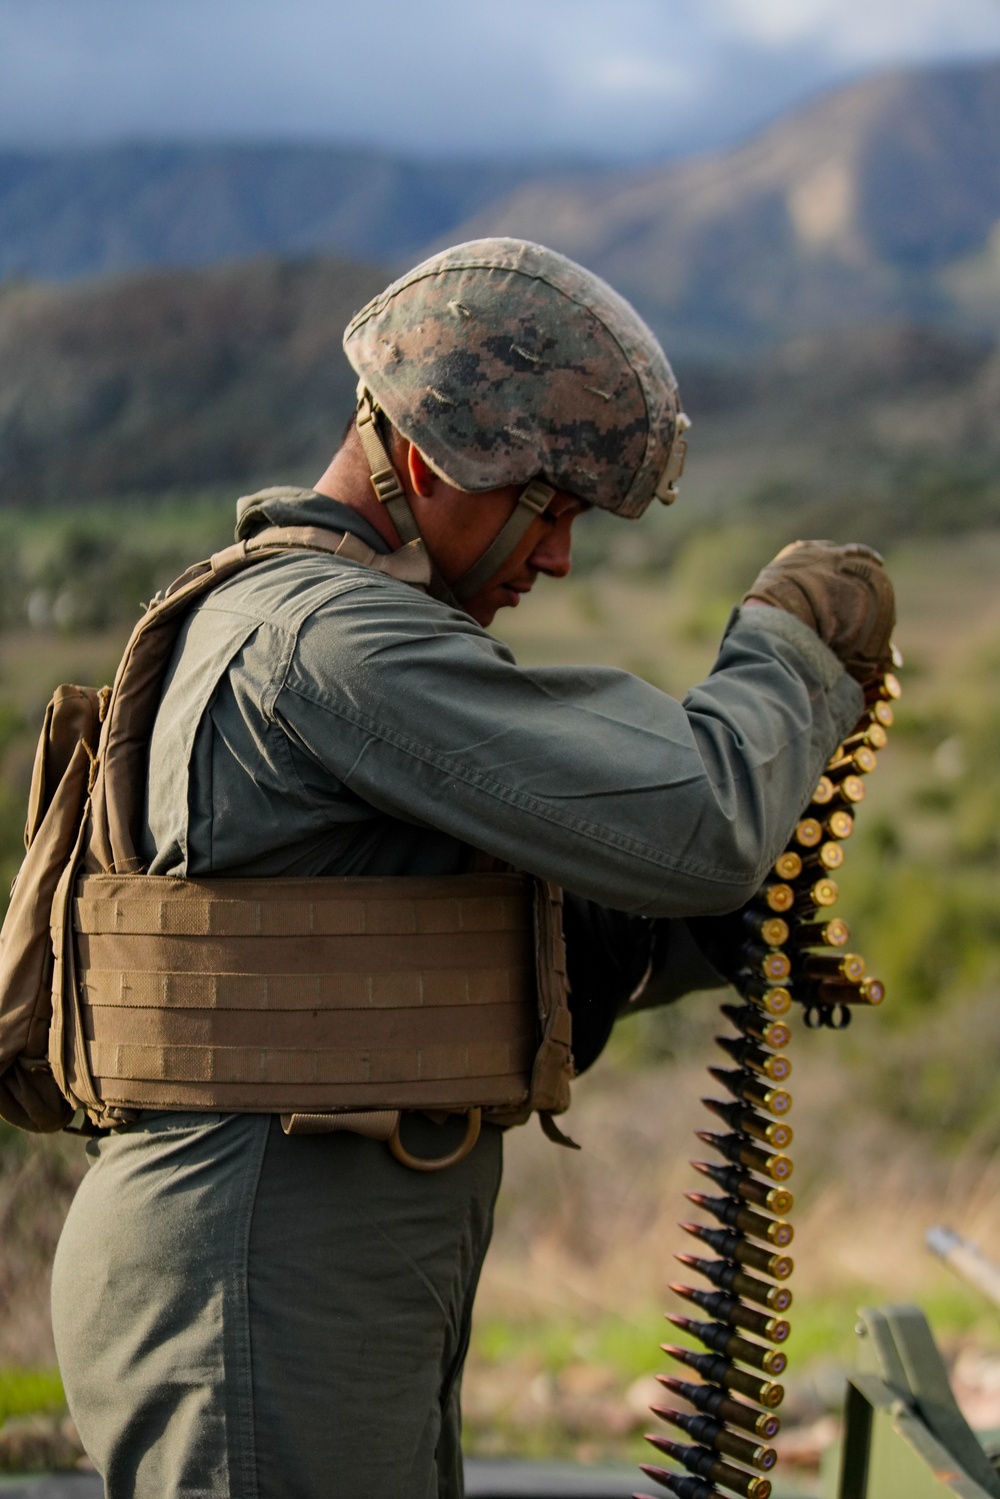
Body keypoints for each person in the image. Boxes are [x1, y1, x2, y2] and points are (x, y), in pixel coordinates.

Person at [50, 238, 894, 1499]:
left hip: (314, 1267)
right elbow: (700, 816)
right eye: (545, 507)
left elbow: (439, 948)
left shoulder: (330, 626)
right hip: (260, 1278)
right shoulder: (327, 637)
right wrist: (788, 644)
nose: (552, 558)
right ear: (435, 460)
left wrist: (706, 927)